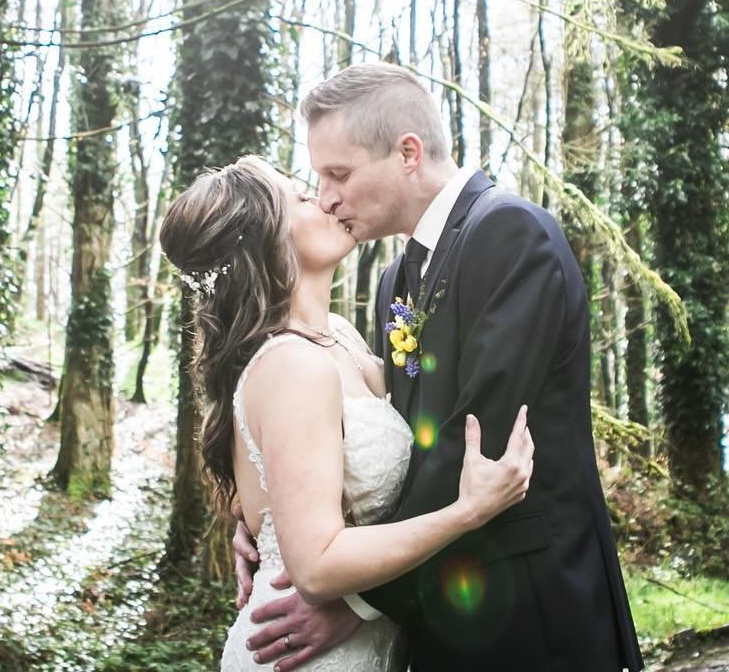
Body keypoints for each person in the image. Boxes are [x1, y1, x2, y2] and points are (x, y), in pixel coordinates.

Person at [237, 63, 642, 672]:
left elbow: (476, 437)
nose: (326, 198)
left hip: (532, 614)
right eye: (319, 179)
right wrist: (271, 517)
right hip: (437, 618)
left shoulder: (510, 234)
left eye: (338, 174)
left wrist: (360, 599)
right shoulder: (394, 281)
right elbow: (397, 446)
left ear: (407, 152)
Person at [160, 155, 535, 672]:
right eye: (298, 198)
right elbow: (314, 568)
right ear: (262, 243)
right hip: (305, 649)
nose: (323, 198)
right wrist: (464, 512)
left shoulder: (340, 335)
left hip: (367, 639)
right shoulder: (292, 364)